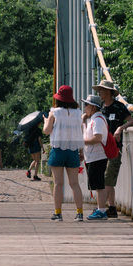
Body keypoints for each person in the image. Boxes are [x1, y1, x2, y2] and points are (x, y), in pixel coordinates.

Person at [42, 85, 84, 221]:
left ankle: (58, 213)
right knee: (74, 184)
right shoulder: (78, 113)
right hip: (73, 150)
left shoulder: (54, 112)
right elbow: (81, 133)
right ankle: (79, 213)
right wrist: (81, 150)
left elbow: (47, 131)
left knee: (58, 183)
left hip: (58, 149)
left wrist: (45, 121)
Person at [94, 80, 133, 218]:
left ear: (109, 92)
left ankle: (100, 210)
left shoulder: (119, 107)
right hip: (100, 149)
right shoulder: (99, 107)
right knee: (108, 181)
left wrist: (120, 128)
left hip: (114, 149)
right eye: (99, 90)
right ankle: (111, 208)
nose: (99, 92)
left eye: (101, 90)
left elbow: (131, 120)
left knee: (107, 179)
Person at [81, 95, 110, 219]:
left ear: (93, 107)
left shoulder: (97, 120)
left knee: (99, 185)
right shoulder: (94, 119)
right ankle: (100, 208)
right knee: (97, 185)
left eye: (86, 105)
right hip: (93, 157)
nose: (85, 108)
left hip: (98, 157)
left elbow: (98, 138)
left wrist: (82, 142)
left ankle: (102, 210)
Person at [23, 110, 45, 180]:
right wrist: (43, 148)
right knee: (37, 161)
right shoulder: (38, 130)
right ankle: (35, 176)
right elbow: (39, 139)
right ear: (38, 123)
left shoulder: (28, 130)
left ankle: (29, 171)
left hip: (30, 146)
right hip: (36, 145)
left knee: (35, 160)